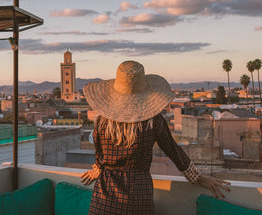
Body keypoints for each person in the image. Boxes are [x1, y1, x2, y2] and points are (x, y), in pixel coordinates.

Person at [80, 61, 230, 215]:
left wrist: (98, 168)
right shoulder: (153, 121)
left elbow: (99, 153)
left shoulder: (102, 121)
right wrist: (197, 178)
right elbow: (174, 151)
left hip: (104, 199)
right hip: (138, 197)